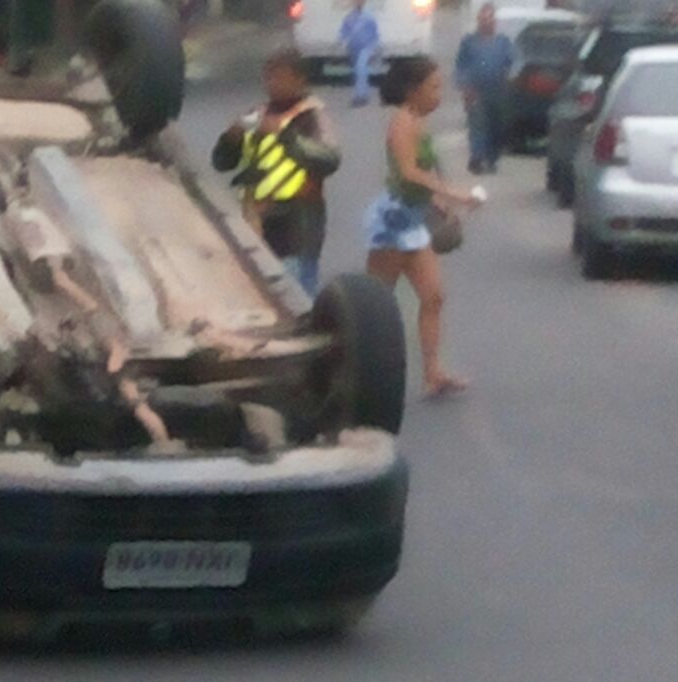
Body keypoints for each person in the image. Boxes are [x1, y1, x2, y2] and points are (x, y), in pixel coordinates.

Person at [364, 57, 478, 400]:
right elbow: (409, 172)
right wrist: (452, 193)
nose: (438, 95)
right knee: (374, 305)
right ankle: (354, 369)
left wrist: (440, 202)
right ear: (412, 91)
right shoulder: (402, 122)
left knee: (433, 297)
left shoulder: (417, 121)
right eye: (433, 87)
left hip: (413, 219)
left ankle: (432, 373)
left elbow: (426, 171)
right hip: (395, 221)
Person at [212, 48, 341, 298]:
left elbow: (329, 159)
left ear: (299, 80)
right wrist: (231, 139)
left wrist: (284, 136)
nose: (272, 85)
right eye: (268, 78)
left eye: (279, 78)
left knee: (296, 297)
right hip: (256, 224)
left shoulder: (312, 116)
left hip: (297, 228)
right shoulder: (257, 115)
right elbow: (223, 163)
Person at [455, 3, 514, 175]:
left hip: (498, 91)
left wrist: (510, 76)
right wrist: (465, 86)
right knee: (477, 125)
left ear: (494, 21)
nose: (486, 22)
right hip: (475, 91)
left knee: (495, 125)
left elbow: (513, 62)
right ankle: (476, 157)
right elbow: (461, 65)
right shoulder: (469, 42)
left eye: (489, 19)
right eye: (483, 19)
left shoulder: (503, 42)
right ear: (478, 21)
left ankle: (492, 158)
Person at [339, 0, 380, 108]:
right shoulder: (350, 17)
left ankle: (360, 96)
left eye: (360, 1)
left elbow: (375, 33)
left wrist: (374, 47)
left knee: (360, 68)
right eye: (356, 1)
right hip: (353, 48)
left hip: (366, 48)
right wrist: (343, 42)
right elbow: (344, 31)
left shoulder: (369, 16)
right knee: (358, 71)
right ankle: (364, 94)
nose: (358, 3)